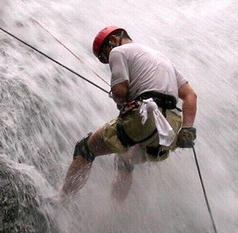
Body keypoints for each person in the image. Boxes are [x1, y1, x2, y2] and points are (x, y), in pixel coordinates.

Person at [59, 26, 197, 204]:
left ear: (114, 40)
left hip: (144, 120)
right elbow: (190, 95)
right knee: (125, 160)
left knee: (85, 149)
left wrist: (119, 100)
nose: (109, 59)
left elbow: (120, 91)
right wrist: (187, 129)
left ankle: (62, 200)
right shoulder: (163, 59)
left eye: (105, 55)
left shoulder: (119, 51)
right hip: (170, 130)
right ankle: (115, 211)